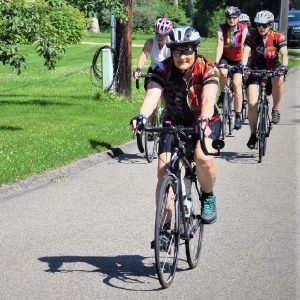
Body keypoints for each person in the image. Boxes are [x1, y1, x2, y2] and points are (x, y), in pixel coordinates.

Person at [131, 26, 220, 225]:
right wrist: (143, 116)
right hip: (174, 122)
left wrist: (204, 121)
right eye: (177, 51)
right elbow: (153, 94)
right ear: (171, 51)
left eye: (187, 50)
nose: (182, 56)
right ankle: (164, 226)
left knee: (202, 157)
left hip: (205, 121)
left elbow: (208, 100)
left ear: (196, 50)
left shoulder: (208, 68)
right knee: (163, 172)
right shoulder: (163, 68)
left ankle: (208, 196)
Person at [241, 10, 288, 149]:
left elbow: (284, 53)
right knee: (252, 103)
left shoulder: (278, 36)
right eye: (258, 25)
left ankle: (275, 109)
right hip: (255, 70)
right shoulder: (252, 36)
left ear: (270, 25)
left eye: (264, 25)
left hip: (274, 69)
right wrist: (244, 66)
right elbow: (246, 52)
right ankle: (253, 134)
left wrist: (284, 66)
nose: (261, 28)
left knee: (278, 78)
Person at [215, 6, 248, 130]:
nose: (231, 20)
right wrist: (217, 62)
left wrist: (243, 63)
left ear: (238, 18)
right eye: (229, 18)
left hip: (239, 59)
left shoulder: (243, 28)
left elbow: (244, 46)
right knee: (222, 72)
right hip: (226, 57)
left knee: (237, 84)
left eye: (234, 18)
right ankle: (223, 93)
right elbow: (220, 45)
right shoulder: (221, 28)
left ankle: (238, 115)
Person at [133, 17, 173, 81]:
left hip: (170, 72)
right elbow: (143, 56)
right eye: (157, 34)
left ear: (168, 34)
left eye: (163, 35)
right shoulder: (150, 42)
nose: (160, 37)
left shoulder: (172, 43)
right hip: (154, 71)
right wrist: (138, 69)